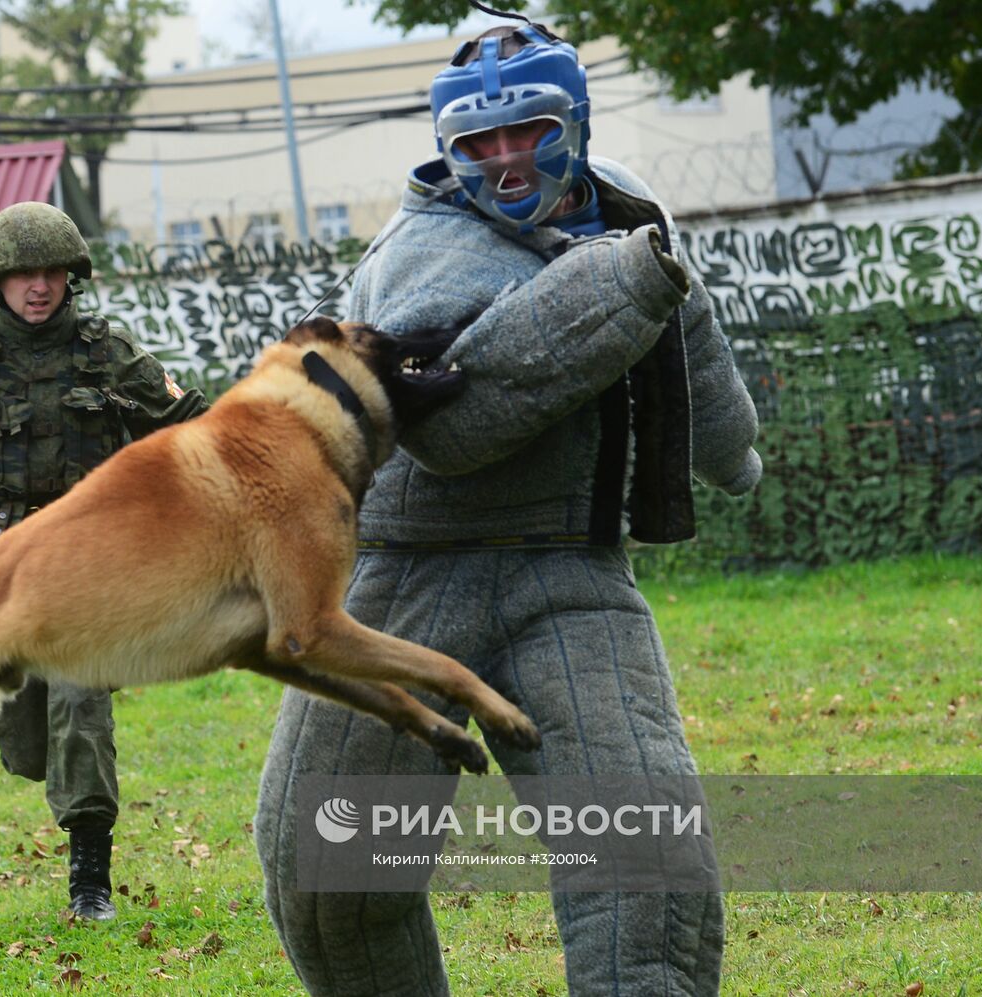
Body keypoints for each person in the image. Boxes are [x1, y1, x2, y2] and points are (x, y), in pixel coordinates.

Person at [254, 23, 761, 996]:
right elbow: (451, 429)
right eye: (476, 142)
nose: (502, 160)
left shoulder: (625, 213)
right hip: (403, 572)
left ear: (567, 121)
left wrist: (728, 452)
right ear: (447, 144)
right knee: (329, 867)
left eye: (523, 130)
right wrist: (612, 288)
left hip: (568, 567)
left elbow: (684, 336)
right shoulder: (421, 256)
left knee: (643, 854)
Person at [0, 201, 208, 921]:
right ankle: (55, 777)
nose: (39, 286)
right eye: (24, 274)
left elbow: (189, 428)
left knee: (83, 702)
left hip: (89, 560)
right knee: (26, 742)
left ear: (71, 276)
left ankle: (90, 876)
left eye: (52, 271)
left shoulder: (107, 351)